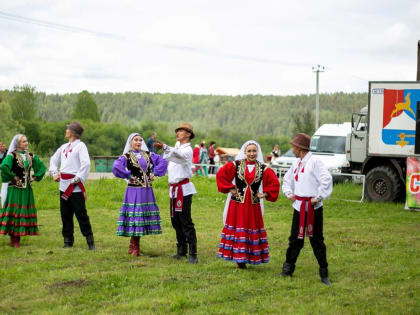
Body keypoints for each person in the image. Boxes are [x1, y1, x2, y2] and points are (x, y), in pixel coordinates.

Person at [216, 140, 280, 269]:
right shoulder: (236, 165)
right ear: (244, 152)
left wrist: (265, 194)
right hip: (237, 205)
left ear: (258, 152)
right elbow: (221, 175)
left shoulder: (263, 168)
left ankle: (249, 257)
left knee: (250, 229)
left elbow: (274, 183)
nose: (252, 153)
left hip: (253, 206)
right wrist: (230, 188)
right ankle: (239, 261)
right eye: (249, 151)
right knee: (238, 229)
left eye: (254, 151)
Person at [280, 133, 333, 285]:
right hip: (299, 207)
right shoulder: (297, 163)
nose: (292, 149)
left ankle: (324, 273)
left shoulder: (315, 161)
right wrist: (289, 193)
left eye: (293, 146)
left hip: (313, 208)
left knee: (316, 240)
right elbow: (287, 180)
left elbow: (326, 179)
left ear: (300, 148)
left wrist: (318, 197)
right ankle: (287, 270)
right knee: (295, 239)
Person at [112, 133, 167, 256]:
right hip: (134, 190)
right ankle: (135, 246)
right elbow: (116, 167)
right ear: (130, 142)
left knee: (141, 217)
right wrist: (127, 175)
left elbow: (162, 161)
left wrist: (155, 173)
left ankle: (133, 245)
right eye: (136, 140)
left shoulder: (147, 154)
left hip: (146, 190)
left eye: (140, 140)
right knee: (136, 216)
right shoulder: (126, 156)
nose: (138, 142)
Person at [154, 122, 198, 264]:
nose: (177, 133)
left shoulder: (187, 150)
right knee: (175, 221)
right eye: (177, 130)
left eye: (181, 131)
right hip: (173, 190)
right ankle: (181, 249)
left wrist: (166, 147)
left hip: (183, 190)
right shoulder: (176, 147)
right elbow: (167, 160)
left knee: (185, 221)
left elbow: (178, 156)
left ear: (188, 134)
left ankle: (193, 252)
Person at [49, 121, 95, 250]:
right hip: (63, 186)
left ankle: (90, 240)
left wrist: (78, 178)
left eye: (68, 129)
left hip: (75, 187)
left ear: (73, 133)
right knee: (65, 213)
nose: (66, 131)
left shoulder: (81, 146)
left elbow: (85, 164)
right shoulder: (63, 147)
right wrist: (54, 172)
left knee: (81, 214)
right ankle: (68, 240)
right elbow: (53, 159)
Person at [0, 134, 46, 248]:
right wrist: (13, 176)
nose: (26, 143)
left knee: (22, 211)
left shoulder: (30, 156)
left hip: (27, 189)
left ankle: (18, 236)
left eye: (27, 141)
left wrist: (35, 177)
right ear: (18, 144)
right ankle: (14, 238)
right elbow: (4, 167)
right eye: (24, 141)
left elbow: (42, 167)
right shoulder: (11, 156)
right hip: (15, 189)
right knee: (15, 210)